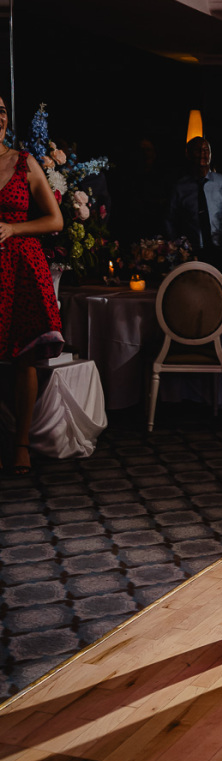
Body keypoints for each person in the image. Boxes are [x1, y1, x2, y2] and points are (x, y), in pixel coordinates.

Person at [0, 94, 64, 475]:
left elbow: (55, 220)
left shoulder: (24, 162)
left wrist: (13, 228)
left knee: (24, 357)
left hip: (22, 268)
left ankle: (21, 443)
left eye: (2, 111)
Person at [165, 136, 222, 260]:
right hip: (191, 252)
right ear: (188, 154)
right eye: (197, 150)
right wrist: (176, 246)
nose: (202, 154)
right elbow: (170, 219)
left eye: (206, 150)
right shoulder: (180, 187)